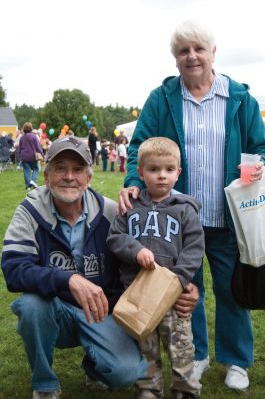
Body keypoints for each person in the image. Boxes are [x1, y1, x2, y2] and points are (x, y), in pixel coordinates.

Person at [119, 20, 265, 391]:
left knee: (232, 288)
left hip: (227, 216)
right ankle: (197, 354)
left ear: (213, 53)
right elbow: (138, 147)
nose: (192, 56)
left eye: (199, 48)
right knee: (185, 289)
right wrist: (135, 181)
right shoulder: (162, 98)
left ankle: (235, 360)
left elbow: (261, 146)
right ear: (175, 58)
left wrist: (258, 164)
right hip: (177, 218)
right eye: (183, 51)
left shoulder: (240, 99)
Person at [1, 136, 147, 399]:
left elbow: (143, 256)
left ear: (88, 178)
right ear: (46, 176)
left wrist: (183, 282)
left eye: (78, 169)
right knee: (30, 306)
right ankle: (44, 384)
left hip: (102, 311)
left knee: (127, 372)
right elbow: (13, 268)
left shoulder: (110, 212)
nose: (69, 176)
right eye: (60, 168)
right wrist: (68, 280)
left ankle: (94, 366)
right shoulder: (29, 211)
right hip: (55, 311)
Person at [107, 137, 205, 399]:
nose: (162, 176)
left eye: (169, 170)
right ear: (140, 172)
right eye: (153, 170)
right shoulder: (130, 207)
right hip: (138, 293)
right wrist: (136, 251)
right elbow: (115, 237)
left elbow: (195, 248)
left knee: (181, 347)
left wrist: (180, 279)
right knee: (145, 346)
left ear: (178, 173)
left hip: (172, 296)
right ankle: (149, 389)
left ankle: (185, 389)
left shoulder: (185, 210)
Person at [19, 122, 44, 190]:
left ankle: (27, 187)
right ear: (31, 128)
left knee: (26, 171)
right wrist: (42, 154)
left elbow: (20, 147)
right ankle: (33, 180)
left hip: (24, 156)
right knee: (36, 169)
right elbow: (38, 147)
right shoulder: (34, 136)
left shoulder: (21, 137)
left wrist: (20, 155)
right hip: (32, 155)